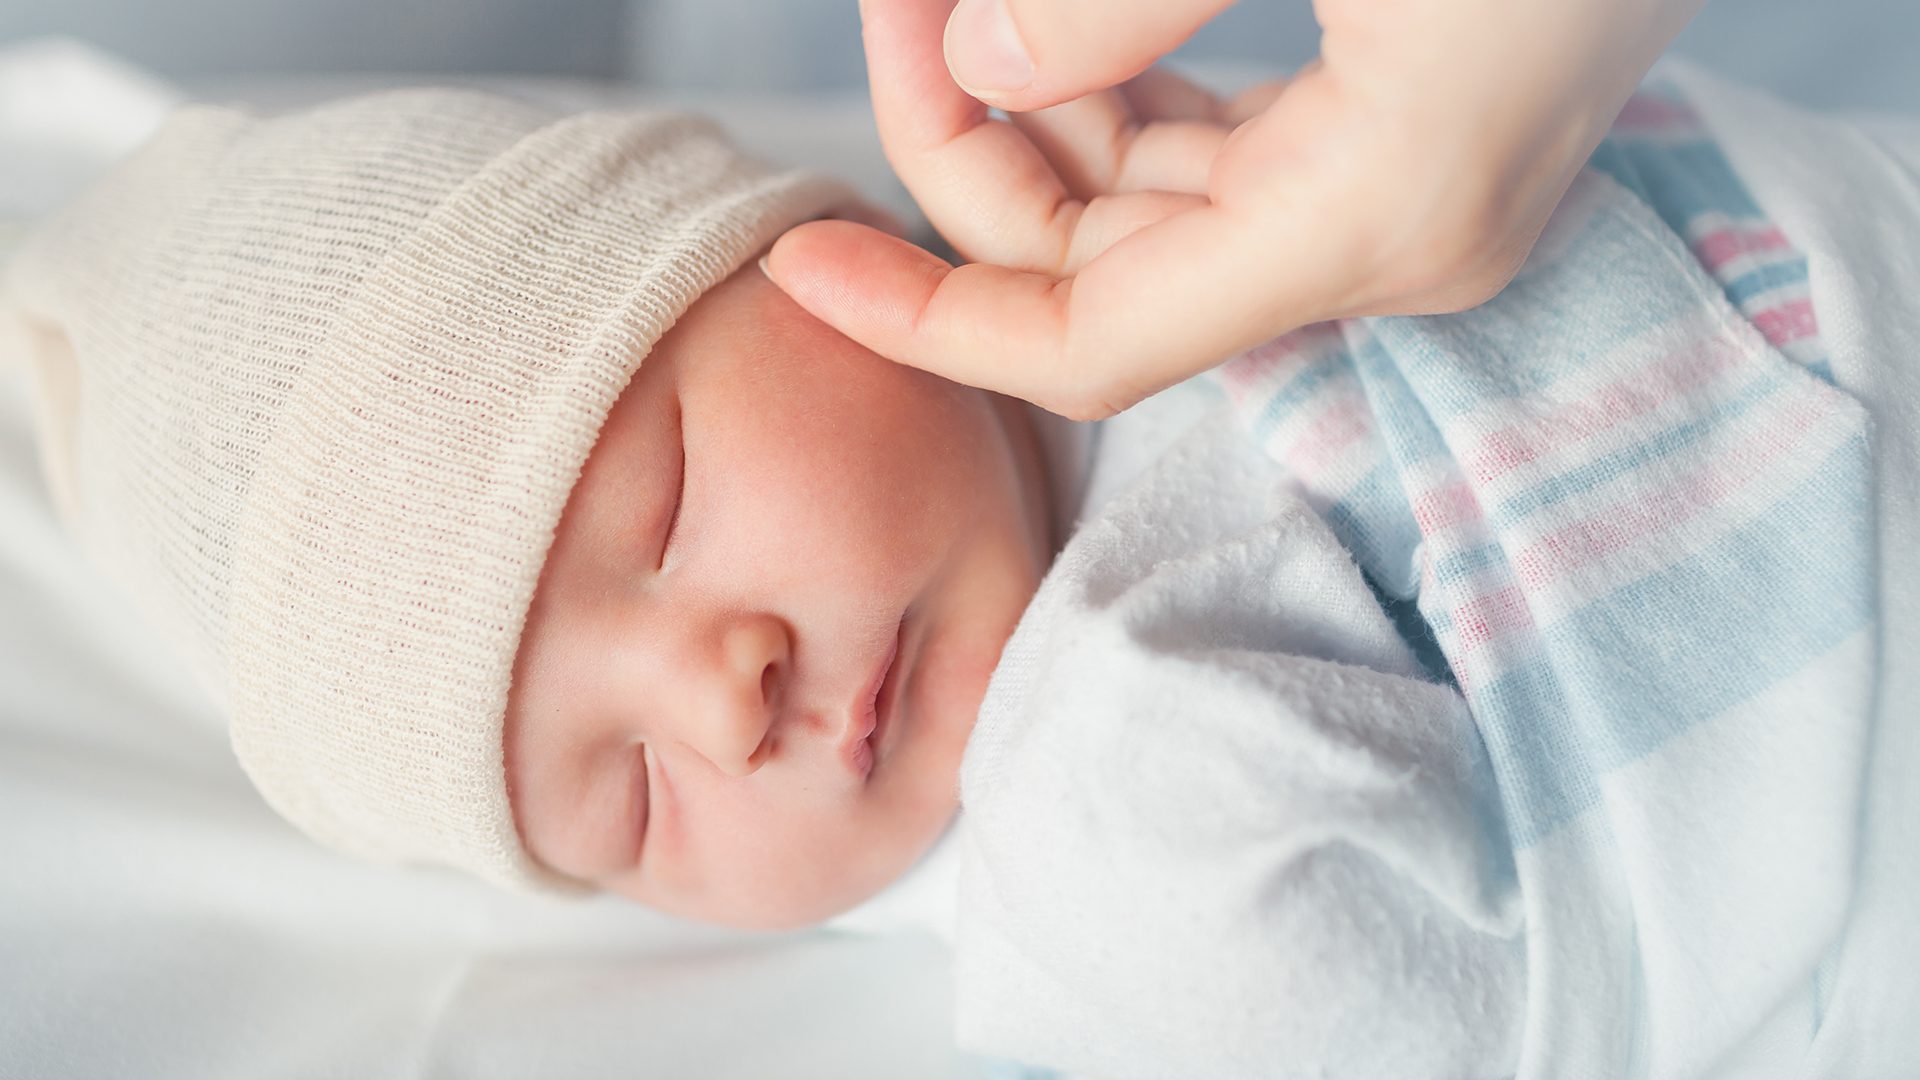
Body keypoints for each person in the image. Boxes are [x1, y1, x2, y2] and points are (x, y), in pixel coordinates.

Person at [4, 16, 1916, 1080]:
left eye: (659, 505)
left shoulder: (1205, 181)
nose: (720, 694)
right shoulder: (1095, 859)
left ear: (819, 260)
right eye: (627, 801)